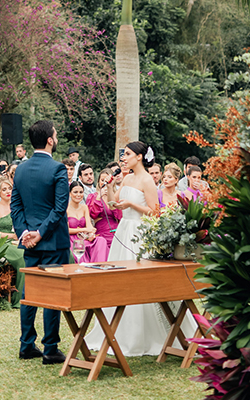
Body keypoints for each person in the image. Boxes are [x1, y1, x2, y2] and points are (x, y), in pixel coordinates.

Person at [85, 142, 194, 357]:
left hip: (140, 233)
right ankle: (115, 330)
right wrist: (108, 188)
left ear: (140, 156)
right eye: (123, 154)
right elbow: (114, 205)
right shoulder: (126, 178)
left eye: (127, 154)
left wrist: (132, 206)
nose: (124, 158)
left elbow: (154, 212)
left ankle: (148, 334)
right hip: (123, 231)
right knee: (118, 281)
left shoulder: (147, 180)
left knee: (140, 283)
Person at [11, 119, 70, 365]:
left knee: (29, 293)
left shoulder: (20, 169)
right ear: (49, 140)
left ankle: (26, 345)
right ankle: (50, 348)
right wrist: (40, 233)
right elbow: (59, 209)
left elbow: (16, 206)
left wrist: (26, 232)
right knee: (52, 296)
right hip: (53, 242)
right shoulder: (58, 169)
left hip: (30, 243)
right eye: (55, 135)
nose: (56, 138)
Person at [0, 175, 25, 304]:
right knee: (22, 257)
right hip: (1, 244)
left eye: (10, 188)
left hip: (19, 241)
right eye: (4, 189)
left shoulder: (18, 206)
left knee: (34, 253)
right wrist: (11, 236)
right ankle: (20, 298)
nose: (8, 192)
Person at [83, 169, 122, 263]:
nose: (104, 182)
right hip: (101, 232)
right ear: (98, 182)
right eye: (102, 180)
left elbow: (119, 216)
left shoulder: (117, 196)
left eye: (107, 180)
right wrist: (98, 197)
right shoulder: (92, 196)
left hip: (116, 232)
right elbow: (93, 214)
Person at [67, 180, 96, 259]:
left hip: (84, 237)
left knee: (101, 241)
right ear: (70, 193)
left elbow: (89, 226)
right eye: (75, 192)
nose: (78, 195)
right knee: (79, 248)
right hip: (71, 239)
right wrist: (84, 229)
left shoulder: (84, 207)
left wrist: (91, 233)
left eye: (81, 192)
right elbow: (66, 229)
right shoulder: (66, 208)